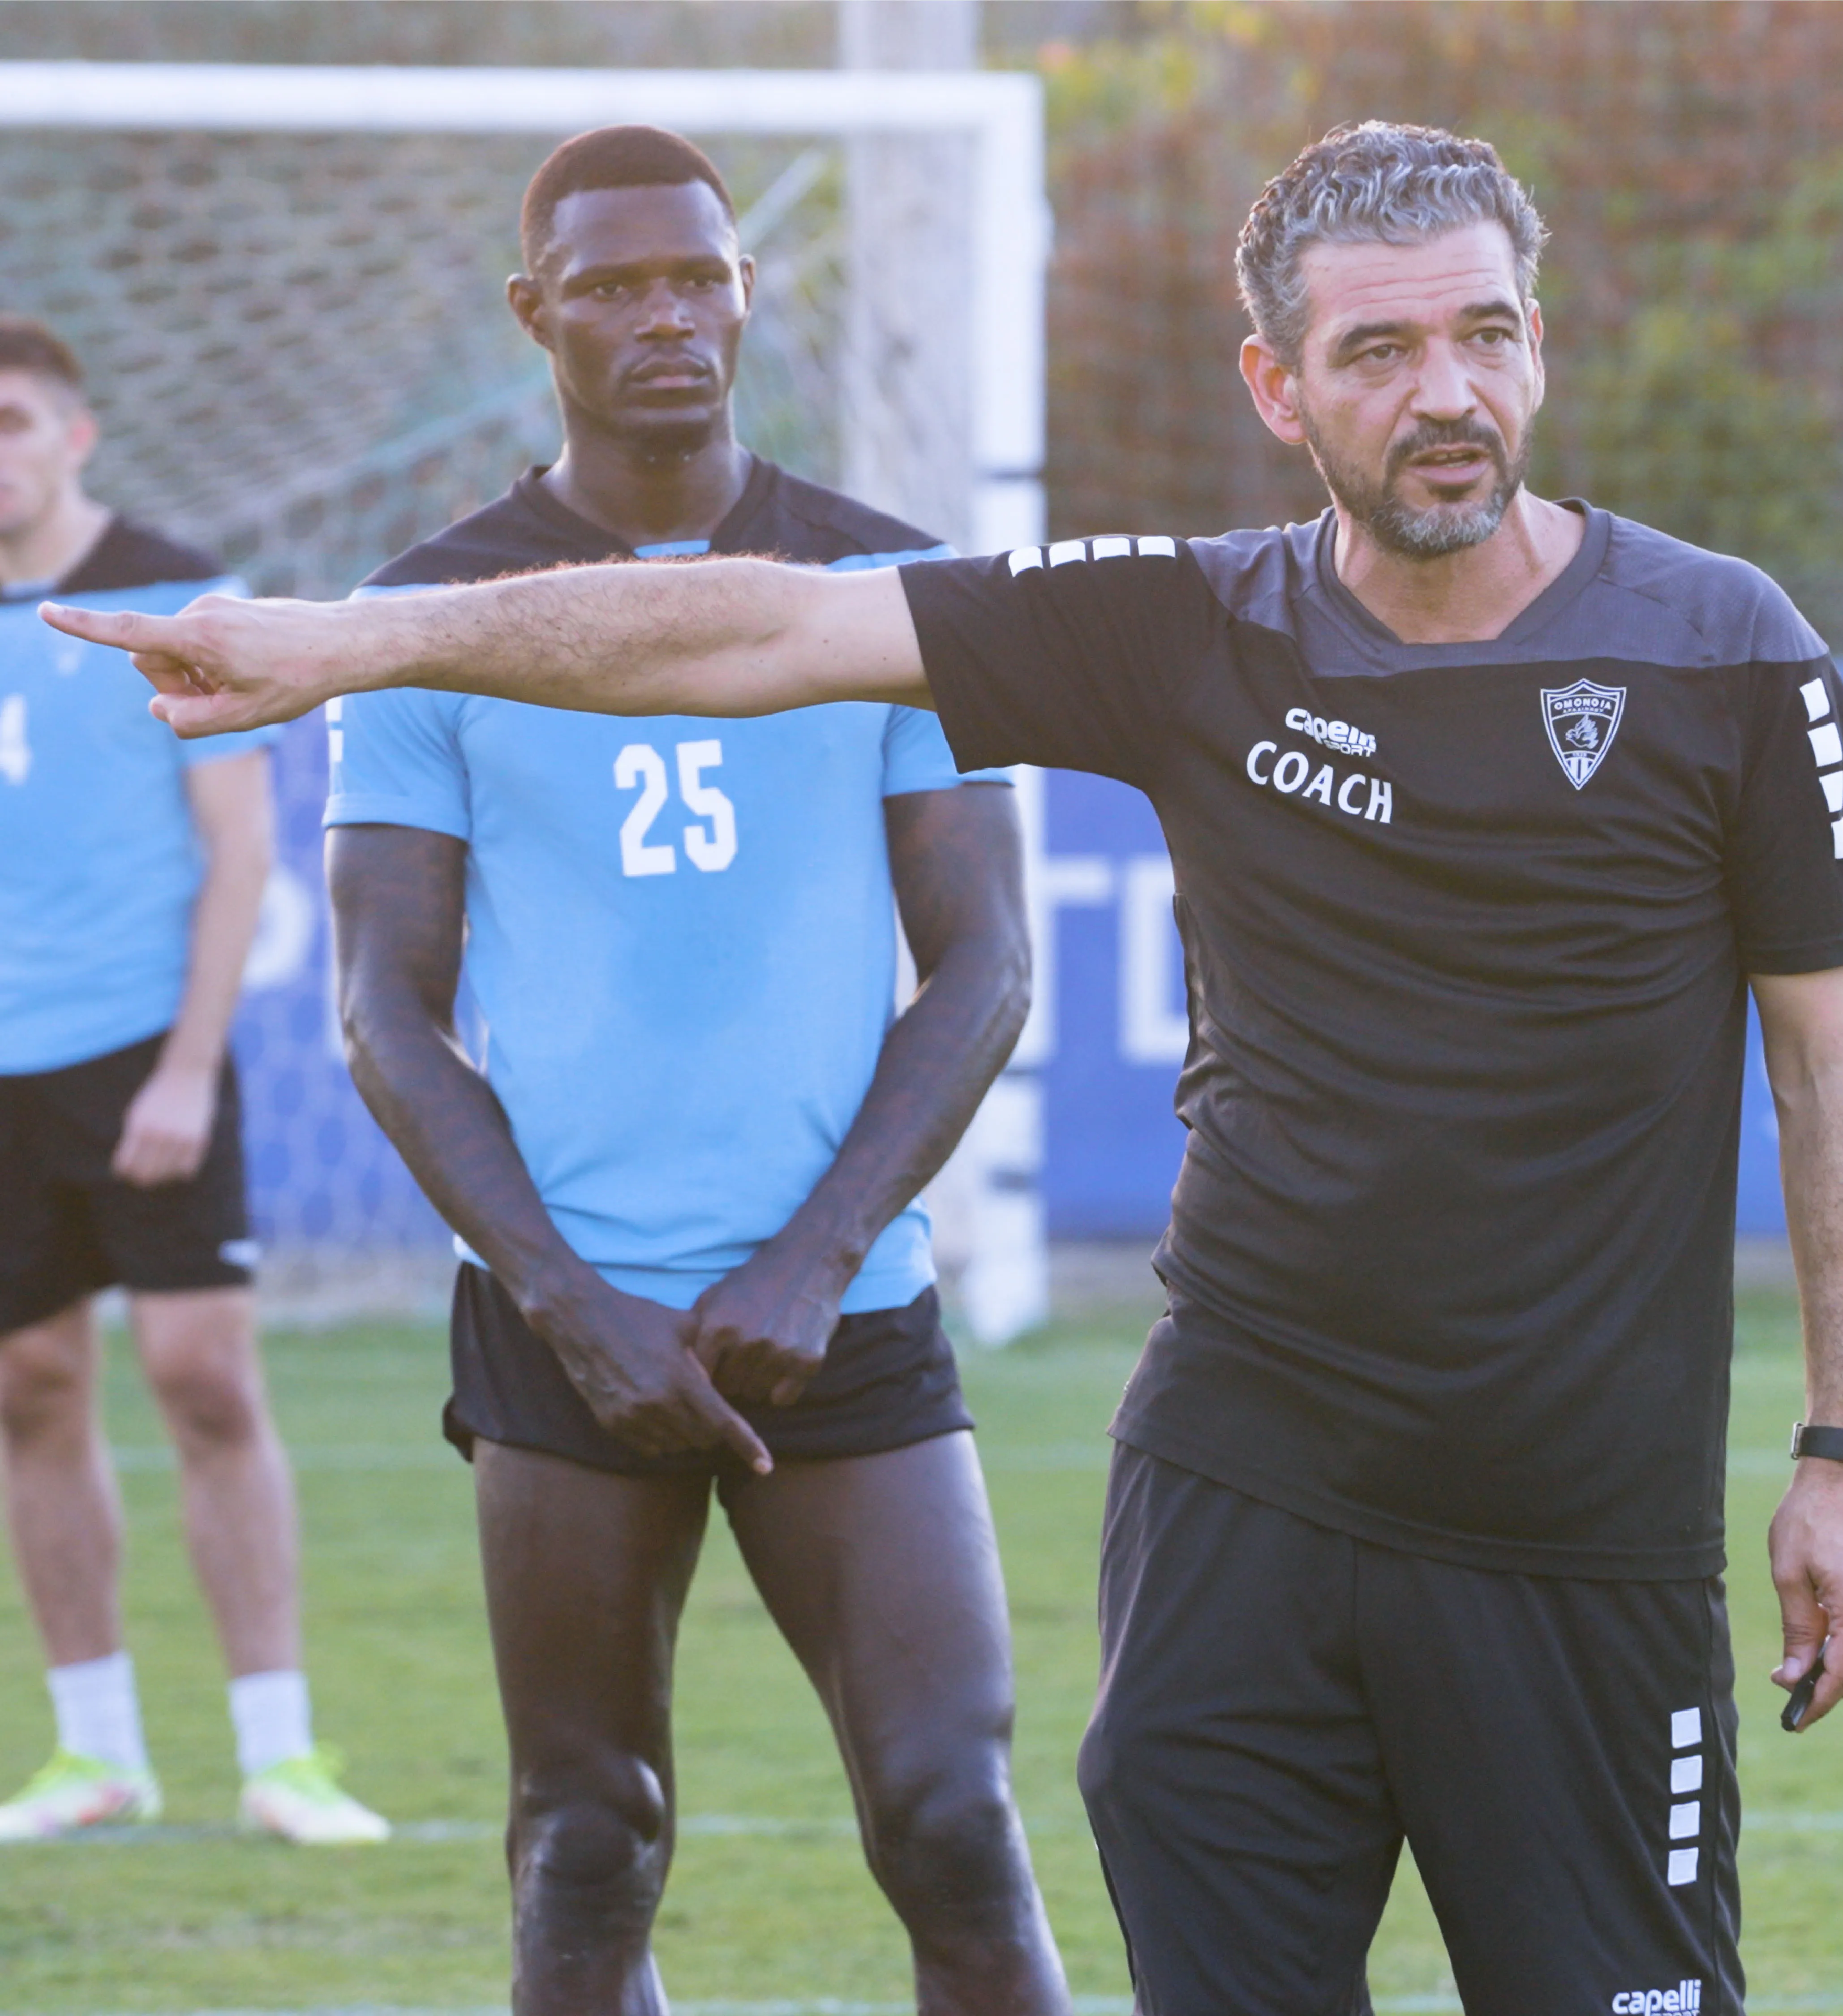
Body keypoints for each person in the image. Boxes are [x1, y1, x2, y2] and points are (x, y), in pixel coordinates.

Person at [45, 121, 1843, 2013]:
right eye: (1377, 351)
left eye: (1485, 334)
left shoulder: (1728, 653)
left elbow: (1840, 1074)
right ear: (1277, 385)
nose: (1447, 392)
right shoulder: (1188, 625)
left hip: (1578, 1532)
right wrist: (354, 644)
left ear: (1539, 342)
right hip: (1238, 1503)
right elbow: (751, 620)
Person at [316, 129, 1066, 2013]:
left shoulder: (892, 589)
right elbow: (385, 1008)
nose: (668, 316)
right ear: (534, 313)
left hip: (845, 1308)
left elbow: (984, 959)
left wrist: (817, 1256)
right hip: (572, 1330)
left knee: (953, 1815)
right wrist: (567, 1304)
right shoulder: (426, 621)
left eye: (699, 278)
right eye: (616, 285)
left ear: (742, 294)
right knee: (588, 1841)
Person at [0, 317, 386, 1845]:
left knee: (203, 1379)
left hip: (139, 1055)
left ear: (73, 436)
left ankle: (279, 1752)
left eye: (15, 421)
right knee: (28, 1391)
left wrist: (185, 1066)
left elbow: (239, 852)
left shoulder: (164, 586)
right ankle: (94, 1750)